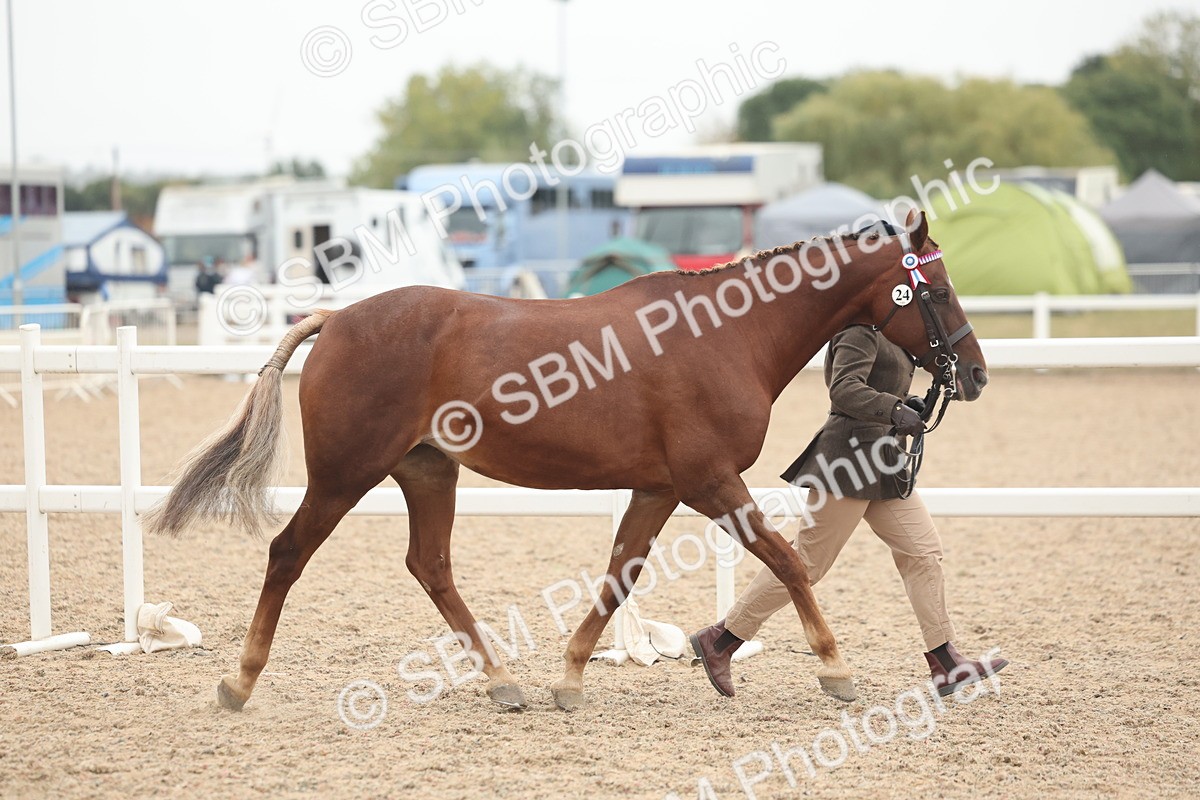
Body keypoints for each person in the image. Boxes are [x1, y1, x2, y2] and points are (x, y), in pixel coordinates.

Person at [689, 319, 1007, 698]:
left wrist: (907, 407)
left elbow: (880, 391)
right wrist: (893, 409)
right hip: (849, 461)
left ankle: (945, 661)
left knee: (923, 552)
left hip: (884, 464)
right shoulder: (859, 330)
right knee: (807, 563)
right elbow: (844, 390)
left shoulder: (892, 333)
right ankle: (721, 640)